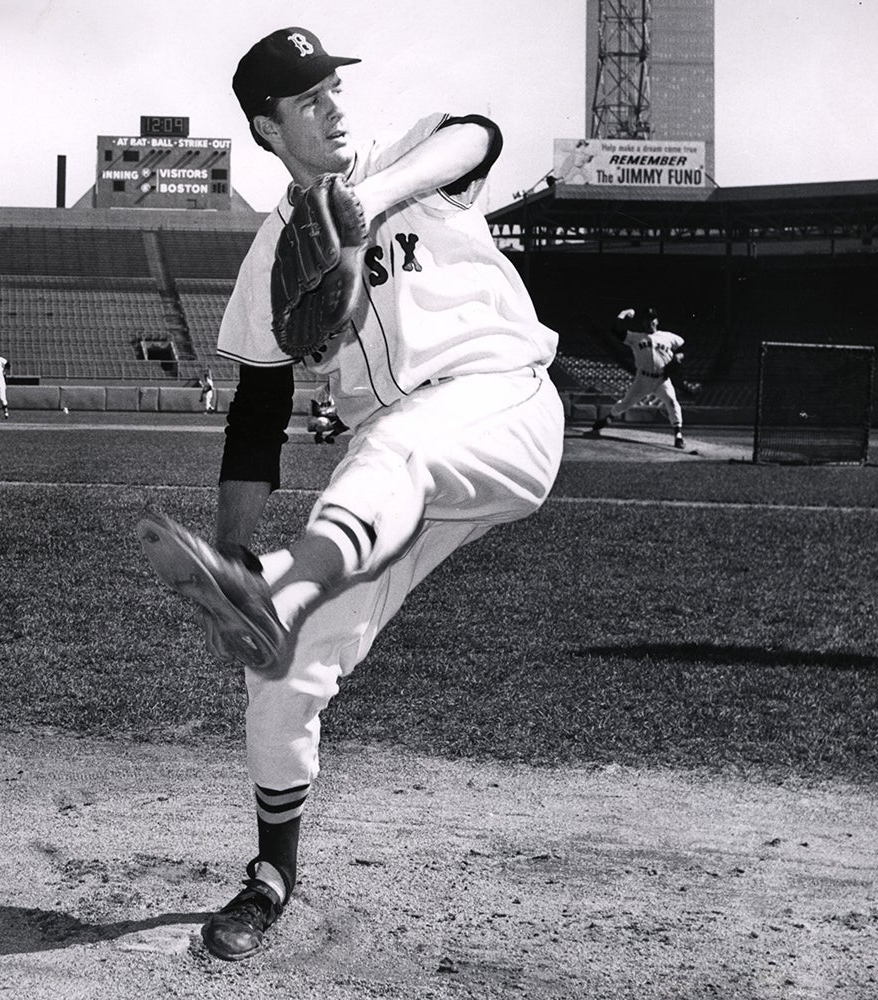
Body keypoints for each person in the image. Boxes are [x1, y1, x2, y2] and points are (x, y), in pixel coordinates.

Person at [138, 26, 564, 963]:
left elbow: (480, 136)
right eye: (308, 99)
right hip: (387, 484)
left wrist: (363, 204)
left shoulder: (402, 158)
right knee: (282, 670)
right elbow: (255, 416)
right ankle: (272, 874)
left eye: (335, 88)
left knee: (393, 458)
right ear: (267, 125)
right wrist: (232, 548)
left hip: (501, 403)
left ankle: (285, 583)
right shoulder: (267, 263)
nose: (334, 107)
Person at [588, 307, 686, 448]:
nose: (650, 322)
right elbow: (616, 330)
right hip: (643, 379)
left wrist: (680, 355)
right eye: (647, 319)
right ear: (643, 323)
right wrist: (623, 314)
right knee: (625, 403)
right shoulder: (635, 337)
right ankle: (608, 418)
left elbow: (682, 348)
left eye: (652, 319)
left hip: (662, 379)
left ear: (657, 321)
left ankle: (678, 435)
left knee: (672, 402)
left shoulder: (669, 337)